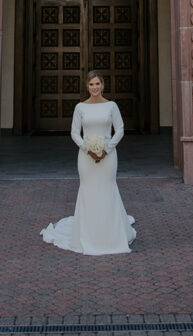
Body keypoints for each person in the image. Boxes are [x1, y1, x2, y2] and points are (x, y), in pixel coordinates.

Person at [41, 70, 136, 254]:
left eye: (98, 84)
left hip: (108, 155)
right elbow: (75, 132)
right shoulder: (80, 107)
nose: (95, 87)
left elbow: (120, 129)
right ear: (87, 86)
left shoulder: (111, 106)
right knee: (88, 190)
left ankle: (111, 235)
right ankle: (88, 235)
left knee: (108, 188)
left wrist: (107, 149)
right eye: (91, 84)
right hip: (86, 156)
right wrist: (87, 148)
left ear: (103, 85)